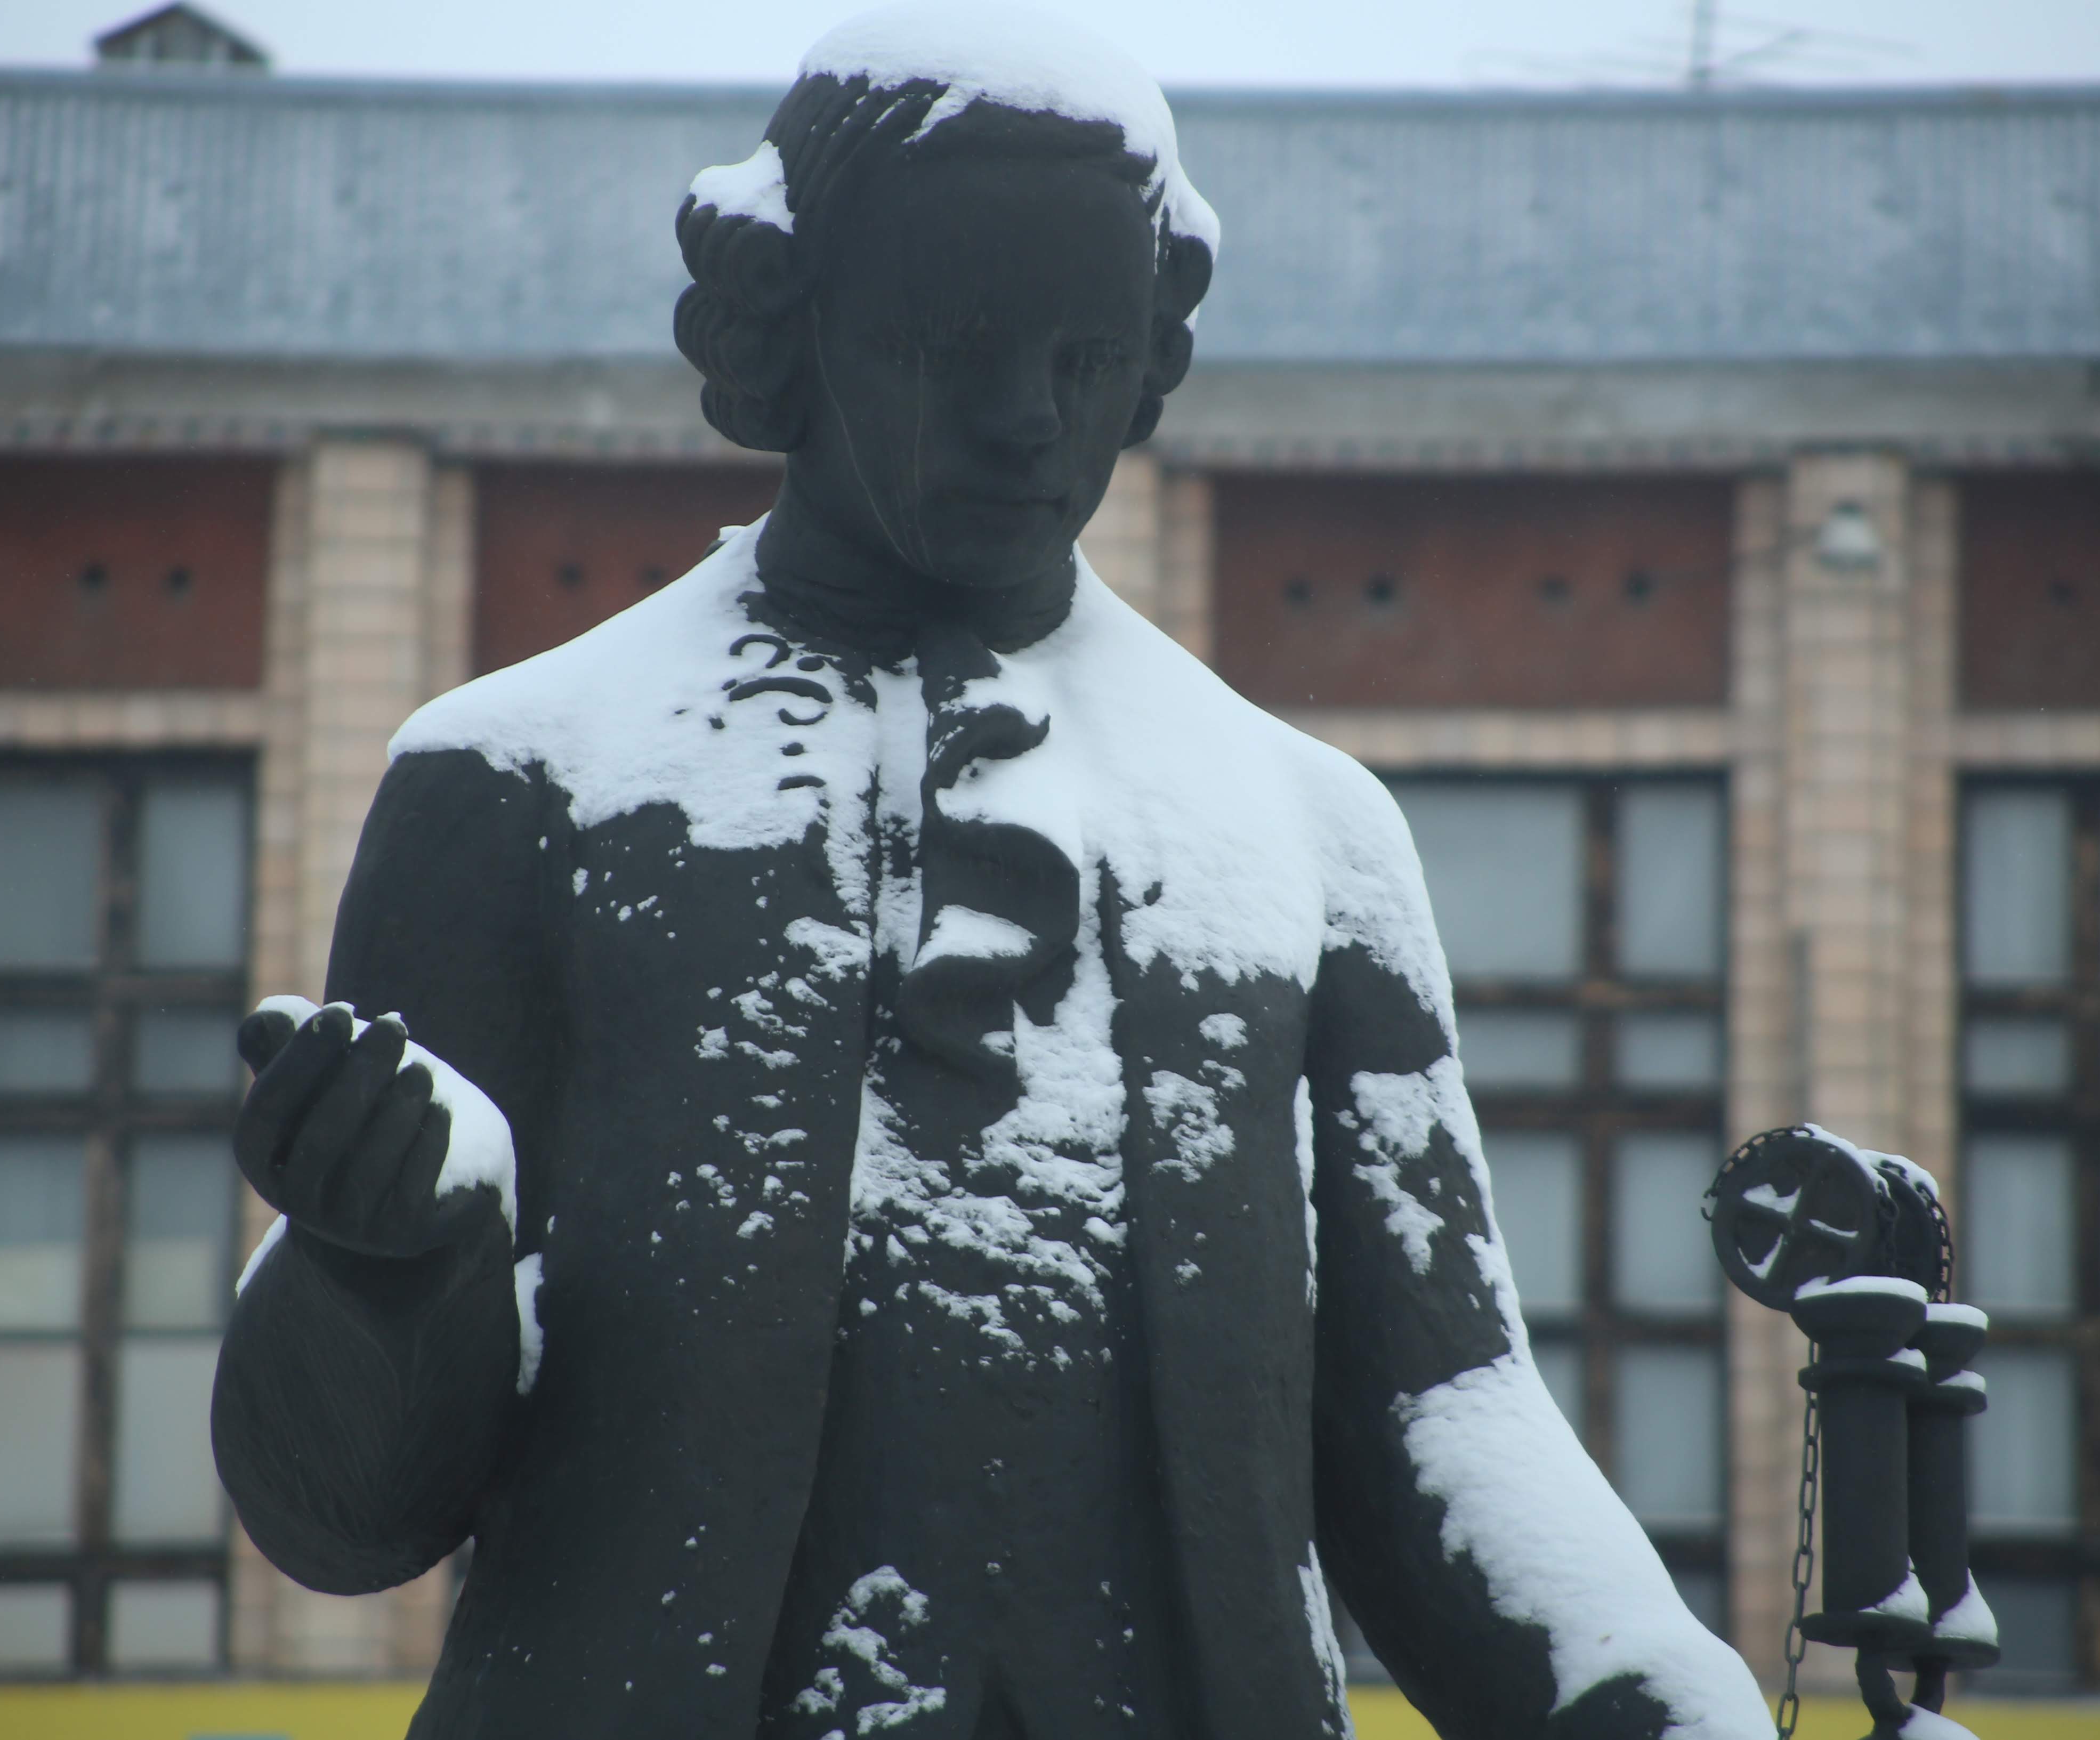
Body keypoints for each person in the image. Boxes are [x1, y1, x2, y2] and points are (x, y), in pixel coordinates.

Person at [211, 8, 1770, 1736]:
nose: (1025, 418)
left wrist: (1643, 1693)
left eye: (1084, 354)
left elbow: (1441, 1407)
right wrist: (381, 1263)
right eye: (948, 343)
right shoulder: (520, 786)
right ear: (787, 323)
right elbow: (340, 1518)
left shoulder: (1309, 830)